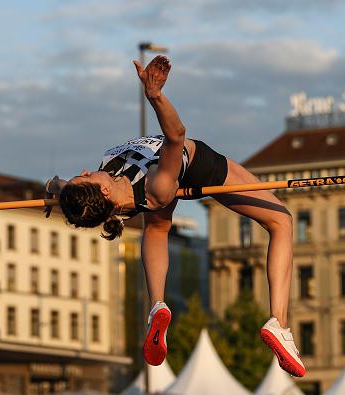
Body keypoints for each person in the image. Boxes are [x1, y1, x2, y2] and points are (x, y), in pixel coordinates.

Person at [45, 55, 305, 377]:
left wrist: (53, 188)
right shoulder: (158, 184)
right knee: (281, 221)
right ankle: (278, 322)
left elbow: (60, 184)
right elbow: (176, 135)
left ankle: (157, 305)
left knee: (157, 227)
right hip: (196, 167)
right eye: (86, 177)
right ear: (105, 193)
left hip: (148, 197)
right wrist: (155, 97)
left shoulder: (86, 194)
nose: (84, 172)